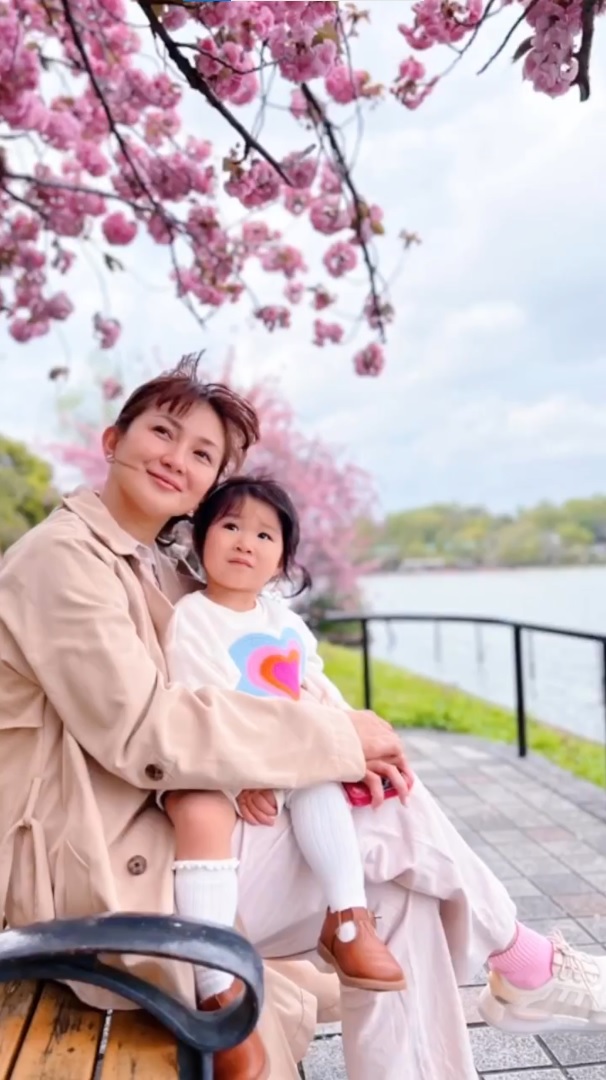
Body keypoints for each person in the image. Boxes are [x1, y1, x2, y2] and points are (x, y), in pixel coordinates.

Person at [0, 356, 604, 1080]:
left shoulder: (160, 565)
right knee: (385, 826)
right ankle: (524, 960)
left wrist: (340, 742)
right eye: (162, 433)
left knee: (392, 884)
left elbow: (254, 673)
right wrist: (336, 741)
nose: (177, 458)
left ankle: (513, 971)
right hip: (93, 880)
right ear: (111, 441)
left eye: (202, 454)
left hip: (162, 836)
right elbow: (146, 730)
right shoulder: (64, 561)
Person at [162, 475, 409, 1076]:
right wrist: (246, 774)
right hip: (220, 762)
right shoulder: (193, 618)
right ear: (200, 537)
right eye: (230, 526)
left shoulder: (284, 622)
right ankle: (216, 986)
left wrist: (352, 739)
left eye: (264, 535)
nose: (245, 543)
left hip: (290, 758)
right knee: (206, 812)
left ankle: (347, 920)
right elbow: (202, 705)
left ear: (282, 559)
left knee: (319, 782)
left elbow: (315, 689)